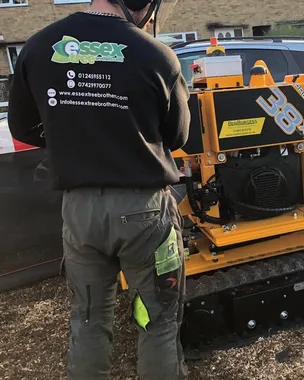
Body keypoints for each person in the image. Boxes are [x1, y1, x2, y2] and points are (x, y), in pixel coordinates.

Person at [7, 0, 191, 379]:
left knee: (89, 319)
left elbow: (22, 126)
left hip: (80, 212)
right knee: (156, 319)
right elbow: (178, 134)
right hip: (144, 212)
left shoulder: (39, 46)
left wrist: (72, 136)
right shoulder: (156, 54)